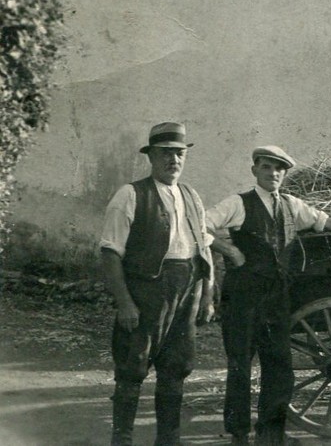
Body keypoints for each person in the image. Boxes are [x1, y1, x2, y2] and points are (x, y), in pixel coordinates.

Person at [206, 145, 331, 446]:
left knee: (278, 366)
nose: (273, 173)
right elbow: (200, 224)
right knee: (240, 365)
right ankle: (239, 435)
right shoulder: (237, 204)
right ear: (255, 170)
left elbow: (324, 221)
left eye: (279, 169)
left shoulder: (291, 205)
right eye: (266, 167)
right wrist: (228, 250)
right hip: (243, 296)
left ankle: (271, 435)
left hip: (277, 295)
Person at [98, 121, 215, 446]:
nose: (173, 160)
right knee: (133, 367)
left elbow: (203, 249)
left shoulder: (191, 195)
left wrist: (207, 295)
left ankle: (169, 439)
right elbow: (110, 252)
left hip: (186, 293)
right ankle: (122, 439)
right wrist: (124, 302)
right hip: (146, 293)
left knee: (177, 366)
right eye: (165, 154)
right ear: (151, 157)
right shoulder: (131, 195)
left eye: (179, 154)